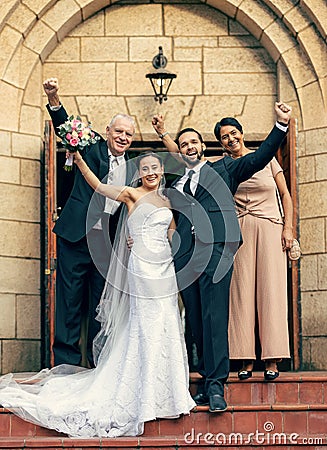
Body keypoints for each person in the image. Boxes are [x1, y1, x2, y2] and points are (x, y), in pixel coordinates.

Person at [0, 151, 196, 437]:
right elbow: (99, 187)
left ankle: (168, 394)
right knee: (145, 324)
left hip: (163, 267)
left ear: (161, 169)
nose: (151, 172)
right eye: (145, 168)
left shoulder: (166, 200)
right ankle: (141, 392)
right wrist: (79, 162)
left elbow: (172, 232)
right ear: (139, 172)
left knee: (167, 321)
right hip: (141, 267)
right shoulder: (131, 193)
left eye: (155, 167)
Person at [152, 102, 292, 412]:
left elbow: (260, 157)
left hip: (216, 250)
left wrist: (280, 125)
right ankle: (204, 380)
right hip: (186, 257)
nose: (189, 146)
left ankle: (216, 386)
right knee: (198, 321)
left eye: (193, 142)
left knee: (215, 317)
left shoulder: (224, 168)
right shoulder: (174, 181)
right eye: (183, 143)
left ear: (202, 147)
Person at [43, 78, 136, 367]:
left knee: (101, 306)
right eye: (118, 131)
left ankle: (99, 366)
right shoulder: (91, 144)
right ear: (107, 131)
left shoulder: (133, 167)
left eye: (129, 134)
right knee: (69, 301)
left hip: (106, 245)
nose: (123, 137)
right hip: (76, 237)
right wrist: (55, 97)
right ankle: (66, 366)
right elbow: (65, 126)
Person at [214, 117, 292, 380]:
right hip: (239, 231)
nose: (230, 139)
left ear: (242, 133)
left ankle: (272, 358)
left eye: (233, 133)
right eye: (224, 136)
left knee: (271, 291)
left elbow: (285, 195)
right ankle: (244, 358)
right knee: (241, 292)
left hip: (270, 226)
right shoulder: (224, 166)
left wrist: (288, 228)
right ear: (221, 143)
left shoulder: (266, 158)